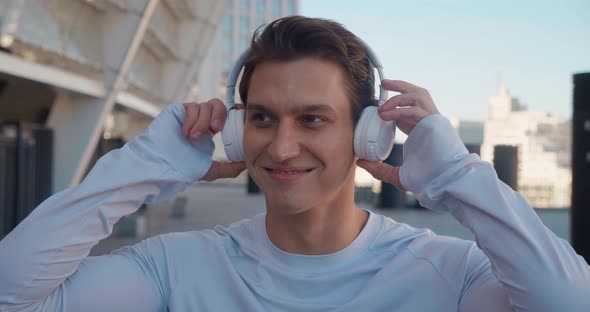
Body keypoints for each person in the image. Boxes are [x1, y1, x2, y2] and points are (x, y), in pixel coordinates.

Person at [0, 16, 588, 312]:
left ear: (369, 134)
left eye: (312, 119)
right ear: (235, 129)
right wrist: (149, 163)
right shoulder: (175, 268)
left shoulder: (449, 272)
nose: (280, 149)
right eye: (261, 118)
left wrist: (459, 177)